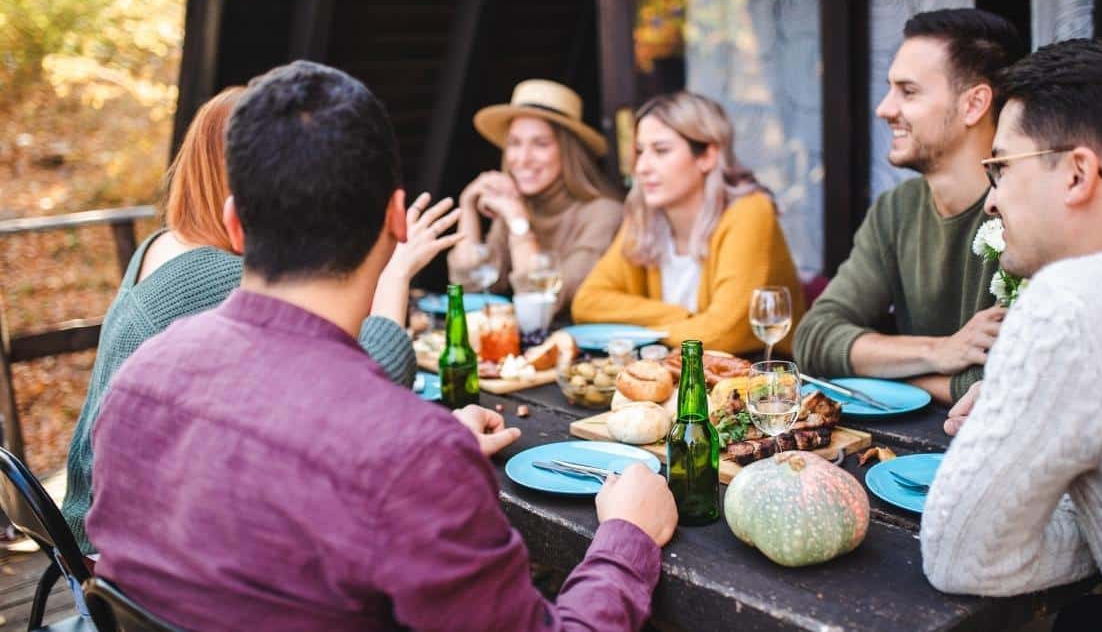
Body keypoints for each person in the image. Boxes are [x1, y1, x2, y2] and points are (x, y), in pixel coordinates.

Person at [87, 60, 677, 631]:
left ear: (236, 224)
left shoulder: (137, 380)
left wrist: (431, 453)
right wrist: (626, 538)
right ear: (398, 219)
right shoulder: (411, 456)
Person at [62, 86, 461, 554]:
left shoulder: (162, 244)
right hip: (124, 544)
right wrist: (394, 273)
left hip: (103, 511)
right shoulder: (219, 276)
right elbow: (365, 390)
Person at [921, 35, 1102, 631]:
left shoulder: (1072, 304)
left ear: (1077, 174)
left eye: (1000, 168)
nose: (990, 202)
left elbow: (961, 556)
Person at [792, 9, 1024, 404]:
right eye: (890, 89)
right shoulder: (897, 209)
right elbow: (814, 338)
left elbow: (997, 382)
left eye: (909, 91)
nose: (884, 109)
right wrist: (938, 351)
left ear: (974, 104)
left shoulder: (1025, 212)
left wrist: (888, 374)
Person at [571, 91, 804, 354]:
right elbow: (587, 303)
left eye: (661, 150)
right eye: (639, 151)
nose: (642, 167)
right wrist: (684, 318)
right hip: (679, 371)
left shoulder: (750, 211)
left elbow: (723, 333)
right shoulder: (644, 216)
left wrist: (647, 332)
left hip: (762, 373)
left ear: (707, 156)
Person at [447, 79, 623, 314]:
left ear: (568, 152)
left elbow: (545, 302)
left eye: (540, 144)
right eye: (514, 143)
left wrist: (520, 224)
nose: (523, 158)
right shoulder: (515, 205)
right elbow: (470, 287)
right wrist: (467, 206)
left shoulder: (604, 213)